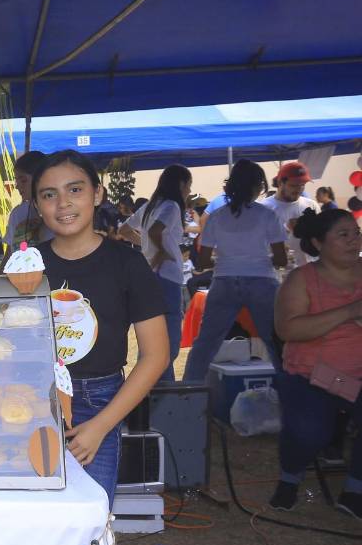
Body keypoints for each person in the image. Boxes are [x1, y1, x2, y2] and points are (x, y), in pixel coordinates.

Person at [32, 150, 169, 503]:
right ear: (37, 205)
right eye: (49, 194)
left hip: (98, 403)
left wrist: (102, 426)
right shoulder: (25, 263)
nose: (63, 203)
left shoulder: (127, 263)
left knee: (90, 513)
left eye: (75, 190)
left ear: (97, 194)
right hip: (32, 396)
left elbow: (156, 355)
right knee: (35, 511)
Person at [269, 208, 362, 518]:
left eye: (356, 233)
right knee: (309, 431)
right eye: (343, 235)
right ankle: (290, 478)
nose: (354, 240)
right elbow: (288, 330)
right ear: (319, 243)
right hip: (310, 375)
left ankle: (355, 489)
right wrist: (349, 312)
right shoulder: (301, 279)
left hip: (357, 376)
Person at [181, 160, 287, 382]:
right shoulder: (268, 215)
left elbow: (202, 260)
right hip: (262, 281)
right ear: (258, 186)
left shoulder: (216, 216)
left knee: (206, 343)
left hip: (224, 281)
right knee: (275, 341)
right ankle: (289, 385)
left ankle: (190, 389)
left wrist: (226, 259)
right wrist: (261, 258)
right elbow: (281, 259)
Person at [121, 164, 193, 381]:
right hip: (166, 275)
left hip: (151, 274)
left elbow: (124, 230)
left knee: (152, 339)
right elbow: (154, 231)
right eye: (188, 185)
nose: (189, 191)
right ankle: (160, 388)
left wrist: (146, 246)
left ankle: (154, 388)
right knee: (169, 341)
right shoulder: (171, 206)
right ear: (181, 184)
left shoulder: (151, 205)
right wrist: (160, 250)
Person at [261, 161, 320, 267]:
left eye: (302, 185)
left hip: (308, 269)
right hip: (278, 270)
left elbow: (321, 239)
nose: (299, 189)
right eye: (293, 185)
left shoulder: (311, 205)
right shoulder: (264, 208)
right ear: (280, 183)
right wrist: (285, 230)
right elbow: (257, 243)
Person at [3, 150, 50, 252]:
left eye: (23, 180)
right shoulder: (18, 214)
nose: (17, 186)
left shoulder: (59, 211)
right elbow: (10, 253)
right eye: (16, 181)